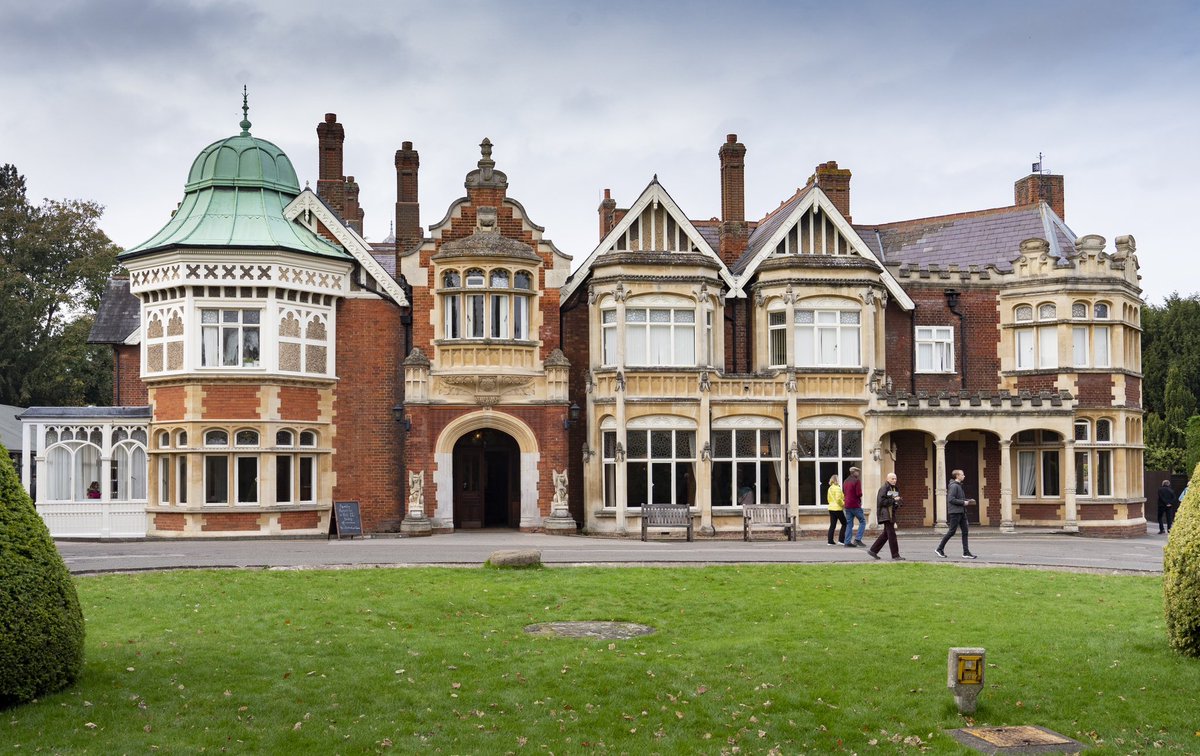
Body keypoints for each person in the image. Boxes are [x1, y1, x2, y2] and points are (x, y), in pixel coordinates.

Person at [936, 469, 977, 559]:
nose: (964, 476)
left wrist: (967, 501)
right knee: (951, 532)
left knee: (965, 531)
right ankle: (939, 549)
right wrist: (963, 503)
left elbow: (959, 498)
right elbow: (951, 499)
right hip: (955, 512)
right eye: (962, 474)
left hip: (961, 512)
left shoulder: (959, 485)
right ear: (957, 476)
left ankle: (966, 552)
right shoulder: (954, 486)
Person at [867, 472, 903, 560]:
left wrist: (899, 502)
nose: (894, 480)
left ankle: (873, 550)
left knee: (886, 534)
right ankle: (895, 555)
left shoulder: (894, 489)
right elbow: (881, 502)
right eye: (892, 479)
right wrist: (893, 500)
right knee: (892, 535)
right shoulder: (884, 488)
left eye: (895, 479)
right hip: (885, 514)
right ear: (887, 479)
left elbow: (894, 501)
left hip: (891, 514)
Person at [842, 467, 866, 547]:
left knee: (849, 524)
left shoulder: (845, 481)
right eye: (857, 472)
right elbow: (859, 493)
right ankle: (858, 539)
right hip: (855, 505)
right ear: (854, 472)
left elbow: (844, 492)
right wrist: (861, 495)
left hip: (847, 505)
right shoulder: (857, 481)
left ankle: (847, 541)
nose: (858, 473)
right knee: (862, 521)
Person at [826, 474, 846, 545]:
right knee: (844, 523)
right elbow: (838, 499)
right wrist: (843, 504)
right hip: (837, 508)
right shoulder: (837, 488)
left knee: (832, 525)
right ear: (836, 480)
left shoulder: (830, 488)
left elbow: (828, 499)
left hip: (831, 508)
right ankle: (841, 540)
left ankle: (830, 541)